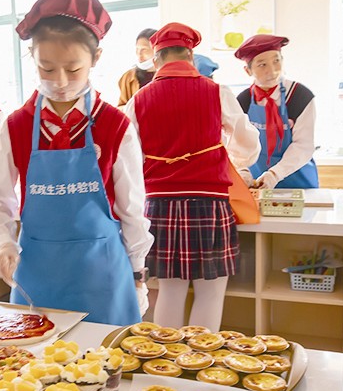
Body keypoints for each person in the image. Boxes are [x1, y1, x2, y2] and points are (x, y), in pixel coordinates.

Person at [0, 0, 151, 325]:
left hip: (102, 276)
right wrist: (2, 243)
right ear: (32, 57)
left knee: (102, 356)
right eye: (46, 68)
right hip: (36, 276)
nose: (59, 81)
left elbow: (132, 208)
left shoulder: (115, 125)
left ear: (96, 58)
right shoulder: (16, 126)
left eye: (73, 69)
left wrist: (137, 273)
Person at [126, 23, 260, 331]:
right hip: (209, 203)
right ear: (190, 56)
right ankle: (202, 356)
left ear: (156, 60)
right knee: (210, 294)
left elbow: (128, 157)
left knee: (170, 292)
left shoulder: (139, 99)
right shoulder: (217, 92)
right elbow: (248, 145)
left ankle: (167, 357)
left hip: (159, 204)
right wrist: (230, 155)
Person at [234, 34, 319, 189]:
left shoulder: (300, 96)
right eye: (262, 65)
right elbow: (237, 143)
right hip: (257, 182)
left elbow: (304, 145)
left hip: (299, 181)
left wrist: (274, 174)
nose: (272, 71)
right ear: (248, 71)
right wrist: (242, 170)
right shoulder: (243, 101)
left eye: (276, 61)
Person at [116, 27, 158, 105]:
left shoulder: (168, 76)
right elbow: (121, 107)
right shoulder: (128, 77)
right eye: (137, 49)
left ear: (157, 50)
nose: (139, 54)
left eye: (144, 50)